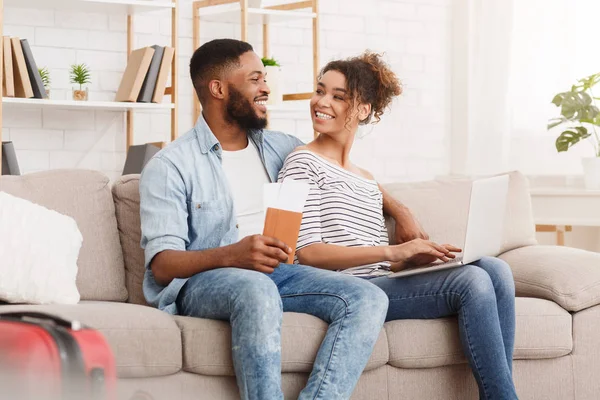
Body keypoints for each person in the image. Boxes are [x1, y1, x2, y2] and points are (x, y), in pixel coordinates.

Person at [138, 39, 425, 400]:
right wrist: (232, 255)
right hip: (206, 280)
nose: (266, 88)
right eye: (256, 79)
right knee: (255, 288)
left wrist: (401, 210)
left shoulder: (280, 146)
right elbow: (162, 266)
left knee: (367, 298)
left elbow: (337, 169)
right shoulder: (171, 166)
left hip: (283, 271)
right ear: (219, 89)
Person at [278, 51, 518, 400]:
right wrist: (396, 250)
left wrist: (410, 261)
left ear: (363, 110)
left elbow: (378, 261)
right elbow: (308, 253)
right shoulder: (302, 162)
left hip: (381, 280)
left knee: (496, 269)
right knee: (472, 281)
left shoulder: (365, 178)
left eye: (338, 96)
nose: (321, 102)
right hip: (348, 290)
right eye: (320, 90)